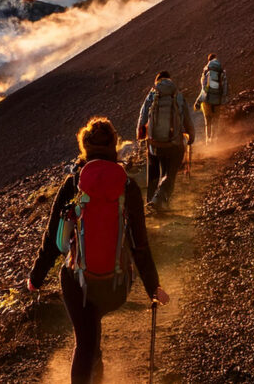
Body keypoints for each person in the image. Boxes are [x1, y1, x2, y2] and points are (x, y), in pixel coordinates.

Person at [27, 117, 169, 384]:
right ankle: (98, 373)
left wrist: (36, 278)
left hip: (77, 283)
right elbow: (140, 245)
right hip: (115, 286)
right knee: (92, 334)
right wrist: (153, 287)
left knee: (85, 341)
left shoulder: (74, 183)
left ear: (84, 146)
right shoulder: (127, 186)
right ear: (114, 145)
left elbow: (52, 238)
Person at [136, 71, 195, 210]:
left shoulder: (151, 95)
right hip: (174, 144)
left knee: (154, 169)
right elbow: (186, 118)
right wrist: (191, 136)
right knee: (170, 172)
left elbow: (142, 117)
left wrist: (141, 135)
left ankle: (151, 200)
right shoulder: (178, 95)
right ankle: (161, 198)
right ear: (170, 80)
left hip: (154, 144)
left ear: (157, 81)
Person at [193, 53, 229, 143]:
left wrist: (198, 101)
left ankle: (208, 141)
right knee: (216, 122)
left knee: (208, 121)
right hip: (217, 101)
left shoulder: (206, 71)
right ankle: (214, 140)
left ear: (208, 60)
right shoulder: (221, 71)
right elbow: (225, 87)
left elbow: (204, 89)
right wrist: (224, 99)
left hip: (207, 101)